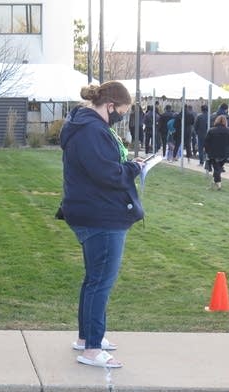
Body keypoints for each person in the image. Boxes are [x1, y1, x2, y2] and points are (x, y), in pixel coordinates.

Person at [59, 81, 145, 369]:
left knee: (93, 279)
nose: (122, 116)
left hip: (92, 211)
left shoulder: (85, 126)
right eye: (122, 111)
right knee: (100, 282)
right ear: (110, 106)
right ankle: (93, 349)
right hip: (101, 215)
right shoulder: (92, 130)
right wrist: (134, 168)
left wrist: (128, 165)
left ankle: (88, 339)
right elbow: (107, 174)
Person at [204, 115, 229, 190]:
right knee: (218, 168)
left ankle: (218, 184)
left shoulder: (211, 130)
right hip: (225, 153)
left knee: (217, 169)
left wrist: (207, 151)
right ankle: (214, 184)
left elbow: (206, 142)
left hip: (213, 153)